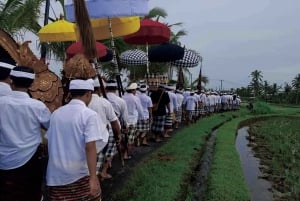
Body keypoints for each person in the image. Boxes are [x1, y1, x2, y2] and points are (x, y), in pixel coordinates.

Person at [46, 79, 108, 201]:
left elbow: (50, 141)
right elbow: (90, 147)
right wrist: (93, 177)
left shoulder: (56, 114)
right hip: (79, 173)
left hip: (57, 175)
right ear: (88, 95)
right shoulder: (88, 114)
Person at [0, 66, 51, 201]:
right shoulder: (37, 106)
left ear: (11, 81)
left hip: (3, 161)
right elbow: (51, 128)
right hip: (29, 160)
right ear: (33, 84)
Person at [88, 78, 121, 179]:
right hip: (102, 135)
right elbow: (114, 122)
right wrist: (118, 134)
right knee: (107, 153)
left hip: (88, 136)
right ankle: (102, 172)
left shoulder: (85, 102)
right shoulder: (104, 102)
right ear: (99, 90)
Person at [122, 82, 144, 159]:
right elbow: (140, 109)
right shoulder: (135, 98)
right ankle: (125, 154)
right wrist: (143, 118)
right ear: (133, 90)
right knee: (130, 139)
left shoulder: (122, 97)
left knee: (124, 138)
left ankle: (125, 153)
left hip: (124, 120)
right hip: (132, 121)